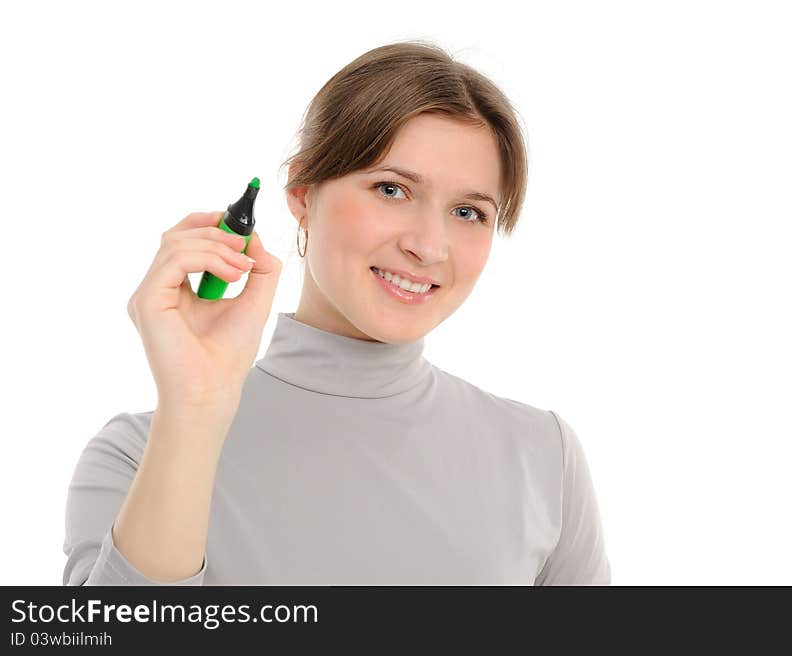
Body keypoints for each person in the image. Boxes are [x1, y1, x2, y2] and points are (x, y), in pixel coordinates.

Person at [63, 40, 611, 585]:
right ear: (303, 193)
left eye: (468, 211)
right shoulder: (137, 458)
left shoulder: (541, 457)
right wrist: (194, 413)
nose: (430, 245)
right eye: (391, 189)